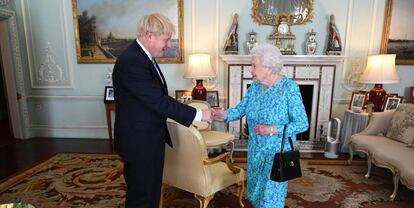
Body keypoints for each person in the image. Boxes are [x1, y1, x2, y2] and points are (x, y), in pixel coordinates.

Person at [112, 13, 212, 208]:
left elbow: (155, 99)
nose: (168, 45)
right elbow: (158, 100)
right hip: (138, 141)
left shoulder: (142, 57)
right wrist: (199, 114)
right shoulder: (132, 61)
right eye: (166, 40)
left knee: (150, 191)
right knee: (141, 195)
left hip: (146, 138)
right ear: (150, 35)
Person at [213, 44, 308, 208]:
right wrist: (223, 114)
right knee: (256, 195)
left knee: (271, 199)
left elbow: (302, 123)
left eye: (254, 65)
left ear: (269, 68)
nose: (251, 69)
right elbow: (241, 109)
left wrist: (272, 129)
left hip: (276, 154)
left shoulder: (289, 89)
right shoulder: (255, 87)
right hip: (255, 151)